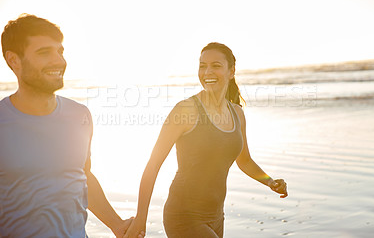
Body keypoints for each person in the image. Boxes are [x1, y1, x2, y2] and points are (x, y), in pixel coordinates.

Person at [124, 42, 288, 238]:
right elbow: (153, 165)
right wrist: (141, 217)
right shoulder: (186, 110)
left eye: (216, 66)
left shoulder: (236, 113)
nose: (207, 72)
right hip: (183, 216)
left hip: (217, 217)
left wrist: (269, 182)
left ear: (231, 71)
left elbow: (244, 160)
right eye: (202, 66)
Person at [0, 14, 136, 237]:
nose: (59, 61)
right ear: (14, 60)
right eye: (44, 52)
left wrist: (117, 225)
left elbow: (82, 176)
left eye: (60, 51)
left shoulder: (80, 115)